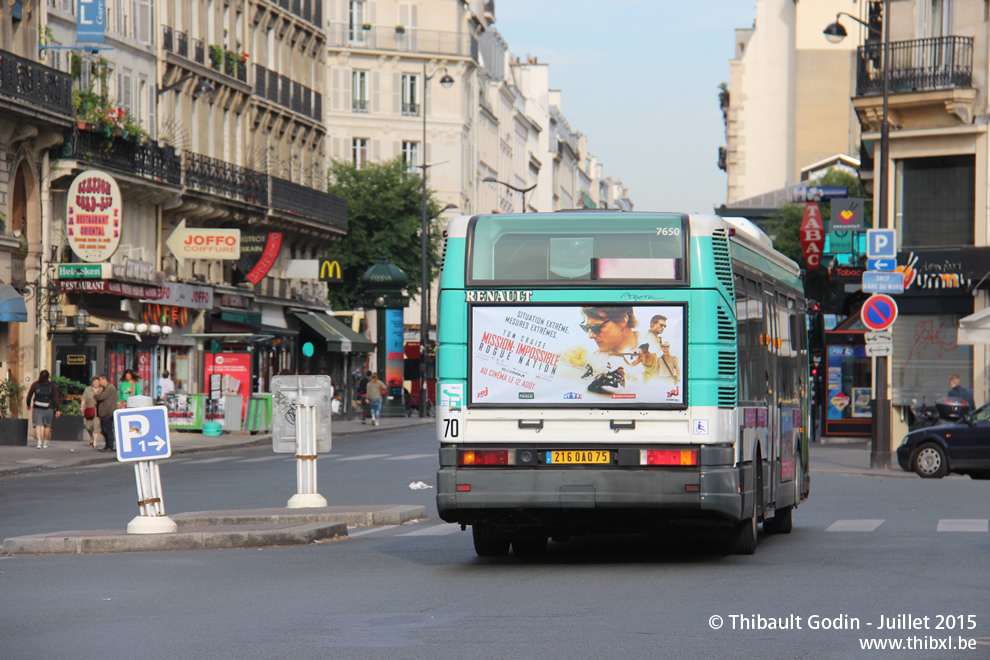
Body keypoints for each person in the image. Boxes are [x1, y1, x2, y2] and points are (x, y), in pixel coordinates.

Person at [25, 370, 60, 449]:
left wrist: (28, 404)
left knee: (38, 425)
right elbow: (55, 397)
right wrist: (57, 409)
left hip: (37, 407)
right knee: (47, 425)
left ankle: (39, 442)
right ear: (48, 377)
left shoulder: (35, 384)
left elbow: (29, 395)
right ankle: (45, 442)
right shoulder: (52, 386)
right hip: (49, 407)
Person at [95, 373, 118, 452]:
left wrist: (96, 395)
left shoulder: (109, 388)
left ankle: (110, 446)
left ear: (105, 379)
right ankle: (107, 445)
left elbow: (100, 397)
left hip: (108, 412)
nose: (99, 382)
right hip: (105, 413)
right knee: (105, 430)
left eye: (100, 380)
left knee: (107, 430)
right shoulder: (105, 388)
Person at [81, 376, 102, 449]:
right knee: (88, 427)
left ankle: (95, 442)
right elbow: (84, 399)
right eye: (94, 382)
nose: (96, 383)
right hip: (89, 410)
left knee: (96, 425)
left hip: (98, 410)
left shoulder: (102, 390)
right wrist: (82, 406)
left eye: (97, 382)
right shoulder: (88, 389)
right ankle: (91, 438)